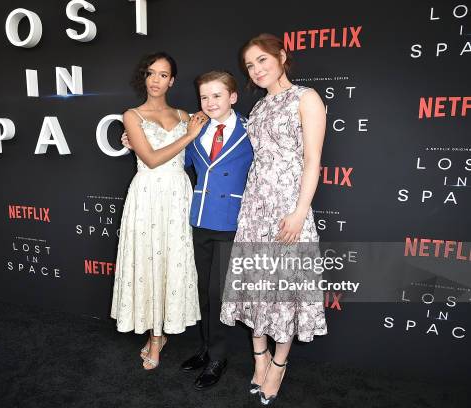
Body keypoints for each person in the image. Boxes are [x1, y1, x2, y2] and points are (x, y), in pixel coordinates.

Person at [219, 34, 327, 405]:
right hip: (254, 207)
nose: (257, 69)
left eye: (263, 60)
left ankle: (278, 365)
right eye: (250, 65)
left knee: (282, 287)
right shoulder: (260, 108)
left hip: (287, 207)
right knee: (256, 284)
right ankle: (259, 357)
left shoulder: (306, 98)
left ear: (282, 56)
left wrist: (299, 212)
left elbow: (312, 160)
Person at [110, 52, 207, 370]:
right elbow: (151, 159)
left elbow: (208, 143)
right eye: (151, 73)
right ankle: (154, 337)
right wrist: (189, 135)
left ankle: (165, 329)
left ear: (172, 80)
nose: (156, 79)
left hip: (178, 195)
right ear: (144, 77)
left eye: (163, 74)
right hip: (148, 195)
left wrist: (196, 130)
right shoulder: (132, 115)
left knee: (171, 261)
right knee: (148, 260)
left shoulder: (184, 115)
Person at [179, 71, 253, 390]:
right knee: (201, 292)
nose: (210, 102)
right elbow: (176, 162)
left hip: (232, 221)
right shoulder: (194, 128)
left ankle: (218, 357)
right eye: (204, 97)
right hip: (199, 219)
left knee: (218, 293)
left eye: (217, 95)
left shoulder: (252, 130)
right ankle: (206, 348)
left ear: (233, 97)